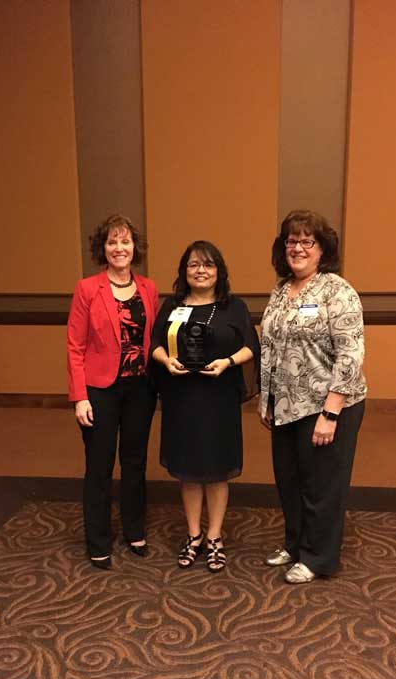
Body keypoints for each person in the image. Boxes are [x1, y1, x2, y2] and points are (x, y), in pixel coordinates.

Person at [259, 210, 367, 584]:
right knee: (289, 481)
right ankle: (295, 543)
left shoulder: (338, 291)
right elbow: (270, 349)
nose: (298, 248)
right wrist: (267, 400)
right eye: (292, 241)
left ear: (323, 250)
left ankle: (318, 557)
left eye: (308, 241)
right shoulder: (281, 289)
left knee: (322, 485)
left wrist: (331, 412)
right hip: (285, 404)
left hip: (326, 404)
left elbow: (351, 355)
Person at [151, 241, 259, 572]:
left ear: (219, 271)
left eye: (208, 265)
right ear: (184, 271)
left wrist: (227, 361)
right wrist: (166, 360)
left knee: (216, 467)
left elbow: (251, 346)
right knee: (188, 468)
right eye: (194, 265)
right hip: (182, 398)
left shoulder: (233, 306)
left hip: (218, 398)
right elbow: (154, 345)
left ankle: (215, 536)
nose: (201, 270)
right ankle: (194, 534)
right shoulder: (172, 306)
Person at [67, 214, 159, 570]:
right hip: (99, 390)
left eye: (125, 242)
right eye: (112, 242)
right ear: (102, 249)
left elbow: (152, 341)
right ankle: (98, 540)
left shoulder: (149, 288)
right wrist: (79, 397)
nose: (119, 248)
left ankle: (135, 530)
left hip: (140, 389)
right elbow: (75, 346)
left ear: (134, 247)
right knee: (100, 466)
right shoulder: (87, 289)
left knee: (135, 462)